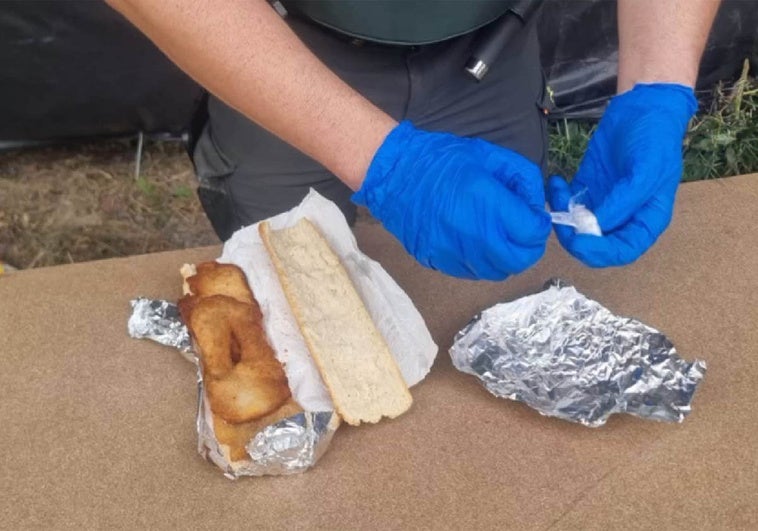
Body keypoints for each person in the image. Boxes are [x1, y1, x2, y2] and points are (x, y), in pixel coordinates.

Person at [106, 0, 720, 280]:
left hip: (492, 51)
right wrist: (390, 164)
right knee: (286, 298)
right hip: (276, 48)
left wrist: (658, 85)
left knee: (506, 277)